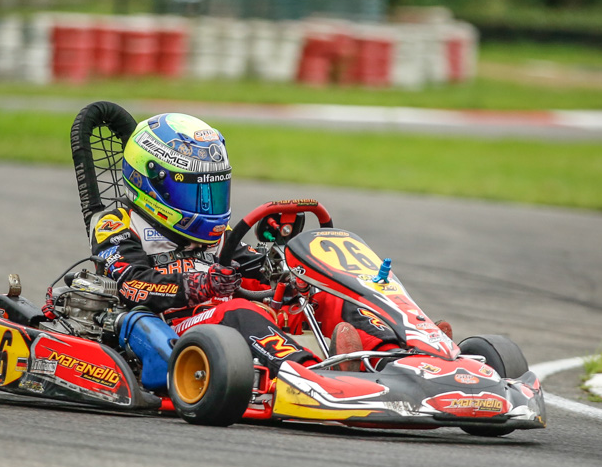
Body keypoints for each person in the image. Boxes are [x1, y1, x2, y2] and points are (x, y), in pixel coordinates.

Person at [83, 112, 400, 375]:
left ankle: (398, 357)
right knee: (240, 311)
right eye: (196, 193)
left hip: (223, 318)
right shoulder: (116, 226)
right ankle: (310, 374)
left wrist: (287, 271)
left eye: (213, 192)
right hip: (171, 326)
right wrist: (200, 285)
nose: (207, 205)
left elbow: (250, 266)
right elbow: (132, 285)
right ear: (152, 183)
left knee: (328, 294)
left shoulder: (216, 236)